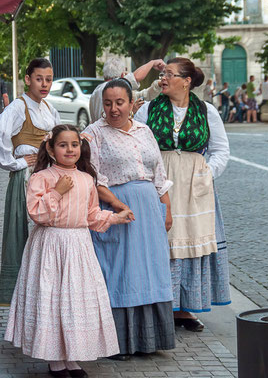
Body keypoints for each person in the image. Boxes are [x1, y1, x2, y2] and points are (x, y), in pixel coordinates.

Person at [5, 124, 132, 377]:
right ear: (51, 150)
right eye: (63, 145)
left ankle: (72, 357)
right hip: (50, 245)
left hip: (78, 245)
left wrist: (115, 218)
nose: (70, 149)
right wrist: (57, 191)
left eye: (74, 144)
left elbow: (91, 214)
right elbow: (37, 213)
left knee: (74, 300)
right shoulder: (41, 177)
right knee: (52, 299)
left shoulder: (87, 180)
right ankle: (55, 360)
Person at [134, 57, 230, 332]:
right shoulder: (149, 110)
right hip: (159, 182)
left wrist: (205, 174)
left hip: (194, 186)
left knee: (190, 243)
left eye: (169, 75)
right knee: (160, 242)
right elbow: (136, 145)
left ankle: (186, 307)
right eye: (162, 74)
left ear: (187, 82)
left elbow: (221, 150)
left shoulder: (206, 111)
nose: (162, 78)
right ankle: (161, 304)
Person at [83, 79, 175, 359]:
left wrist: (166, 208)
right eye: (108, 103)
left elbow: (158, 173)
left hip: (148, 208)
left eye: (119, 102)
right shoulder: (93, 134)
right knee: (120, 271)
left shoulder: (144, 131)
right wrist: (118, 205)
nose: (113, 109)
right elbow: (93, 177)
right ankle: (117, 342)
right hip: (117, 209)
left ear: (132, 103)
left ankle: (150, 339)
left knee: (150, 270)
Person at [0, 58, 61, 306]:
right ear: (28, 79)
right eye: (39, 79)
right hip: (26, 179)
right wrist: (15, 162)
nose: (44, 84)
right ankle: (25, 296)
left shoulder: (49, 109)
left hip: (50, 177)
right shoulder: (19, 107)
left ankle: (46, 291)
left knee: (48, 234)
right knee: (24, 233)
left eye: (48, 79)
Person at [89, 57, 166, 123]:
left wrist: (158, 85)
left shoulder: (96, 92)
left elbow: (143, 95)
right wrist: (152, 63)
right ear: (123, 75)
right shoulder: (116, 86)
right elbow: (136, 77)